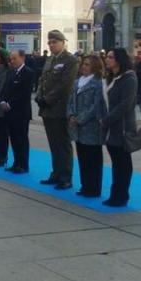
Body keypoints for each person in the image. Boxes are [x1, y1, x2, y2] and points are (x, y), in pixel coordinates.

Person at [36, 30, 79, 190]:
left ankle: (65, 176)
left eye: (55, 42)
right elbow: (43, 80)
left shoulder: (70, 60)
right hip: (47, 108)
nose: (52, 45)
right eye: (50, 42)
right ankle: (56, 173)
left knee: (63, 143)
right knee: (53, 143)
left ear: (62, 42)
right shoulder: (50, 60)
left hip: (60, 107)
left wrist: (47, 99)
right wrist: (39, 95)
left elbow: (65, 85)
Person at [101, 48, 138, 207]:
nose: (107, 60)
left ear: (119, 60)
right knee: (116, 162)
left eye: (110, 57)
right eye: (107, 57)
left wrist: (107, 119)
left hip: (121, 126)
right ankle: (116, 193)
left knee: (123, 163)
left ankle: (121, 195)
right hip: (111, 127)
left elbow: (125, 104)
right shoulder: (112, 77)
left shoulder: (129, 78)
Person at [68, 54, 107, 197]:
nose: (83, 67)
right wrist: (71, 114)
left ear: (95, 67)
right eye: (83, 64)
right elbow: (71, 100)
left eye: (87, 64)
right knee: (82, 156)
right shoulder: (77, 82)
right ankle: (85, 185)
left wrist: (81, 118)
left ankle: (94, 187)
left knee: (93, 159)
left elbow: (96, 106)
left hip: (91, 126)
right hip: (77, 126)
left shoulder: (97, 83)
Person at [0, 50, 34, 174]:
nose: (12, 61)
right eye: (11, 59)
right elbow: (5, 89)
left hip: (21, 112)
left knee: (21, 138)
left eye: (14, 58)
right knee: (13, 138)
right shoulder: (11, 72)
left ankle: (23, 164)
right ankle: (16, 163)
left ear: (22, 58)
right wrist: (3, 101)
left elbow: (24, 93)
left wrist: (10, 103)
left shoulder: (28, 73)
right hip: (9, 112)